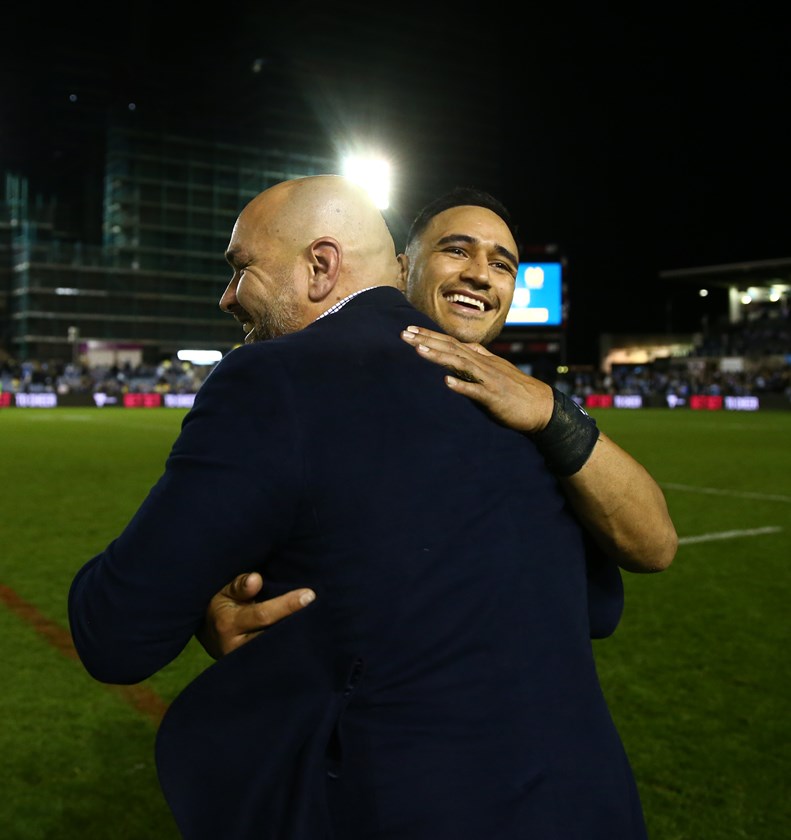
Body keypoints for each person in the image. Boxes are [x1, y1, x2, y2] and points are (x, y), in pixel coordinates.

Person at [69, 175, 654, 839]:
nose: (227, 295)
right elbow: (597, 607)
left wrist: (205, 595)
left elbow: (114, 634)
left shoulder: (272, 378)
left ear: (320, 266)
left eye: (240, 269)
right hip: (586, 806)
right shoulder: (522, 405)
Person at [199, 187, 677, 660]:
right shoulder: (318, 388)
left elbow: (652, 549)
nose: (480, 276)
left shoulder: (532, 409)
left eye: (502, 265)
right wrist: (213, 606)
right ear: (402, 269)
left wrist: (554, 413)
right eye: (456, 250)